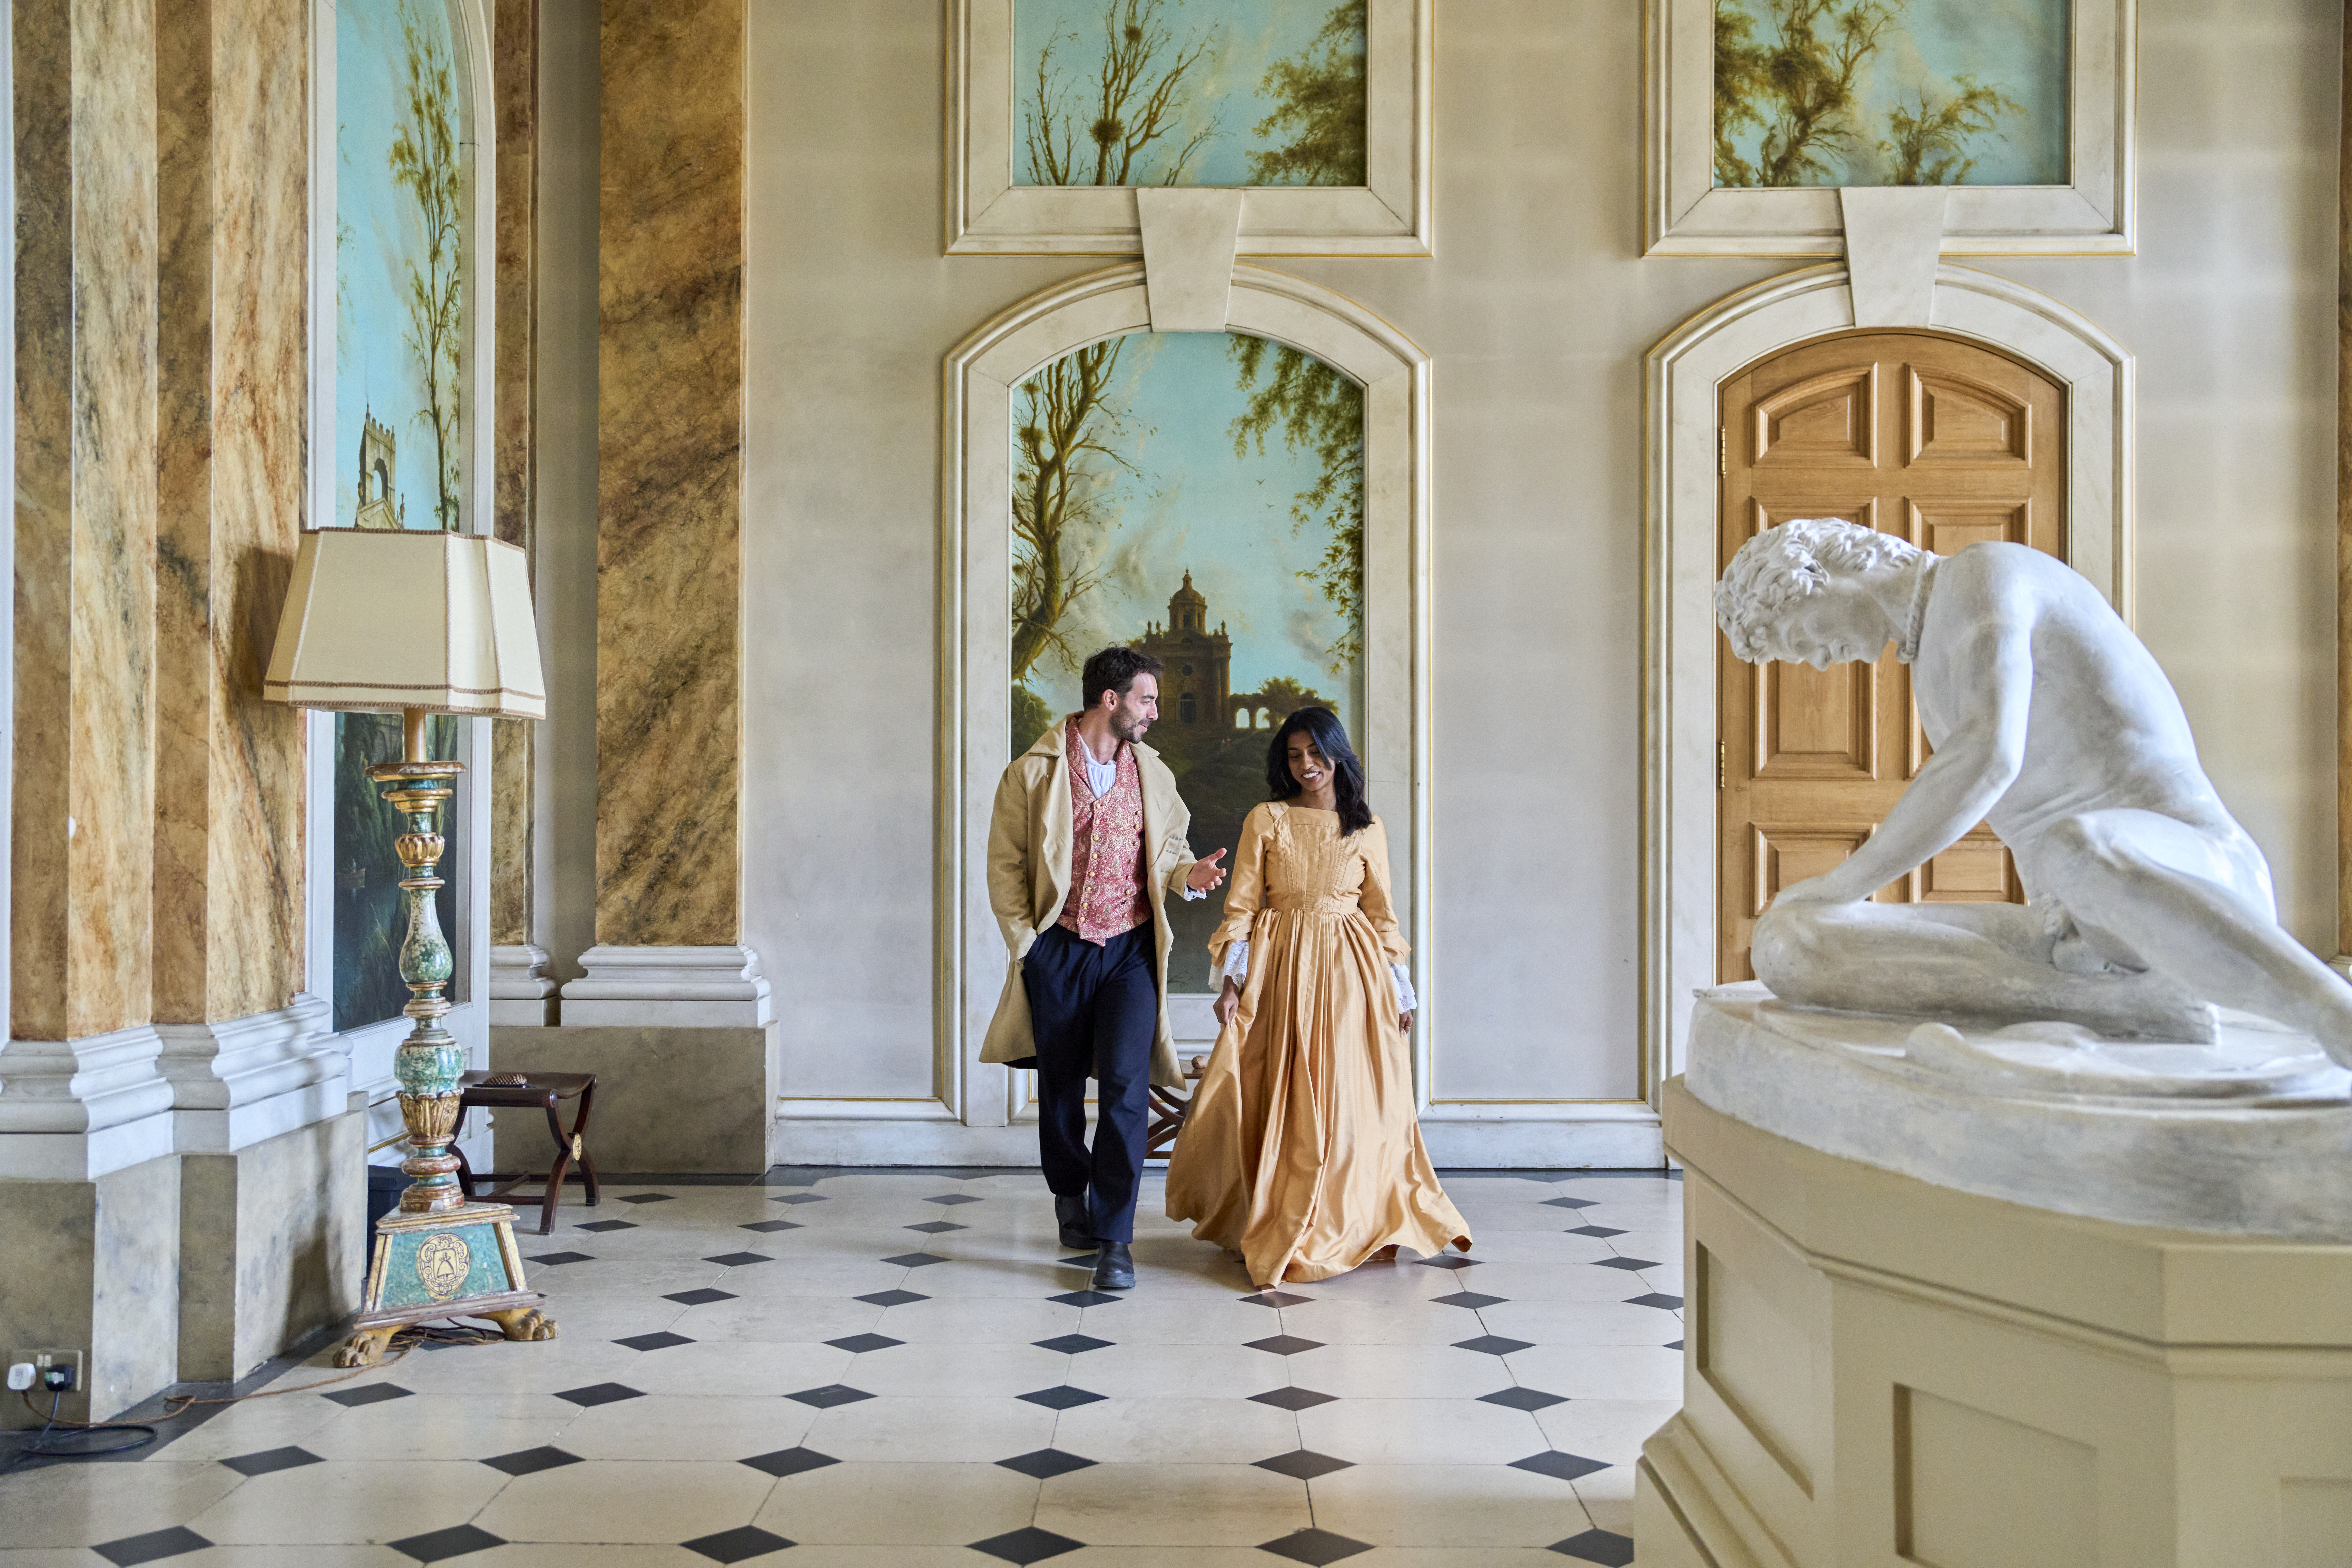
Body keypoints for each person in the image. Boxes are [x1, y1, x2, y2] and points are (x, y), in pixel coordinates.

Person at [1715, 518, 2352, 1064]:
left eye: (1801, 639)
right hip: (2081, 937)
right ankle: (2133, 1005)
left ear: (1826, 573)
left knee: (2073, 845)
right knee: (1792, 942)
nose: (1820, 663)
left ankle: (2330, 1010)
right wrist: (1826, 904)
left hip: (2189, 877)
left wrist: (1843, 881)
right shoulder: (1929, 661)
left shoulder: (1984, 575)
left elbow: (1988, 758)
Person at [1165, 706, 1471, 1285]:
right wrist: (1231, 984)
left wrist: (1400, 989)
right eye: (1294, 755)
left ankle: (1346, 1220)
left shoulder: (1367, 826)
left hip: (1354, 972)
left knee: (1348, 1097)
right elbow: (1244, 905)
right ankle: (1279, 1214)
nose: (1307, 765)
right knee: (1279, 1087)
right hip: (1280, 966)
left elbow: (1380, 913)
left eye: (1316, 753)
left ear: (1338, 754)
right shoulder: (1267, 818)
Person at [982, 646, 1229, 1291]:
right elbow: (1006, 864)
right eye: (1146, 699)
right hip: (1058, 948)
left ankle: (1115, 1241)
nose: (1155, 712)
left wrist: (1189, 874)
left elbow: (1169, 849)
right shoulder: (1032, 773)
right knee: (1061, 1087)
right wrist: (1026, 945)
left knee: (1124, 1089)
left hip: (1130, 950)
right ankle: (1070, 1194)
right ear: (1111, 701)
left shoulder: (1152, 771)